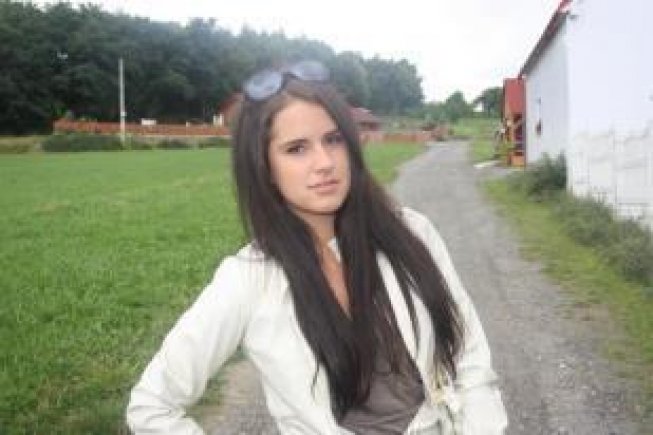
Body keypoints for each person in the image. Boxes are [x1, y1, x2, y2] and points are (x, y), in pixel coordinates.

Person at [126, 60, 507, 434]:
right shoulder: (249, 279)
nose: (324, 162)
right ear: (263, 167)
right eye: (296, 149)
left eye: (333, 139)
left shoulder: (412, 233)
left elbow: (468, 355)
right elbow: (152, 406)